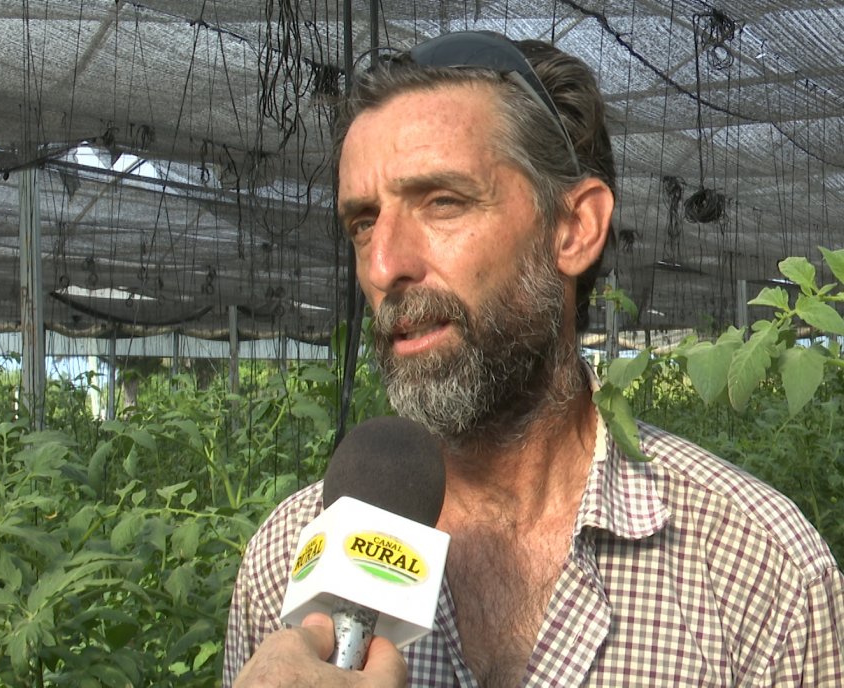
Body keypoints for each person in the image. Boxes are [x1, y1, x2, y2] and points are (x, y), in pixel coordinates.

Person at [223, 31, 844, 687]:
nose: (383, 266)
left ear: (573, 229)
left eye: (443, 202)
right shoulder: (286, 564)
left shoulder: (761, 573)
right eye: (363, 222)